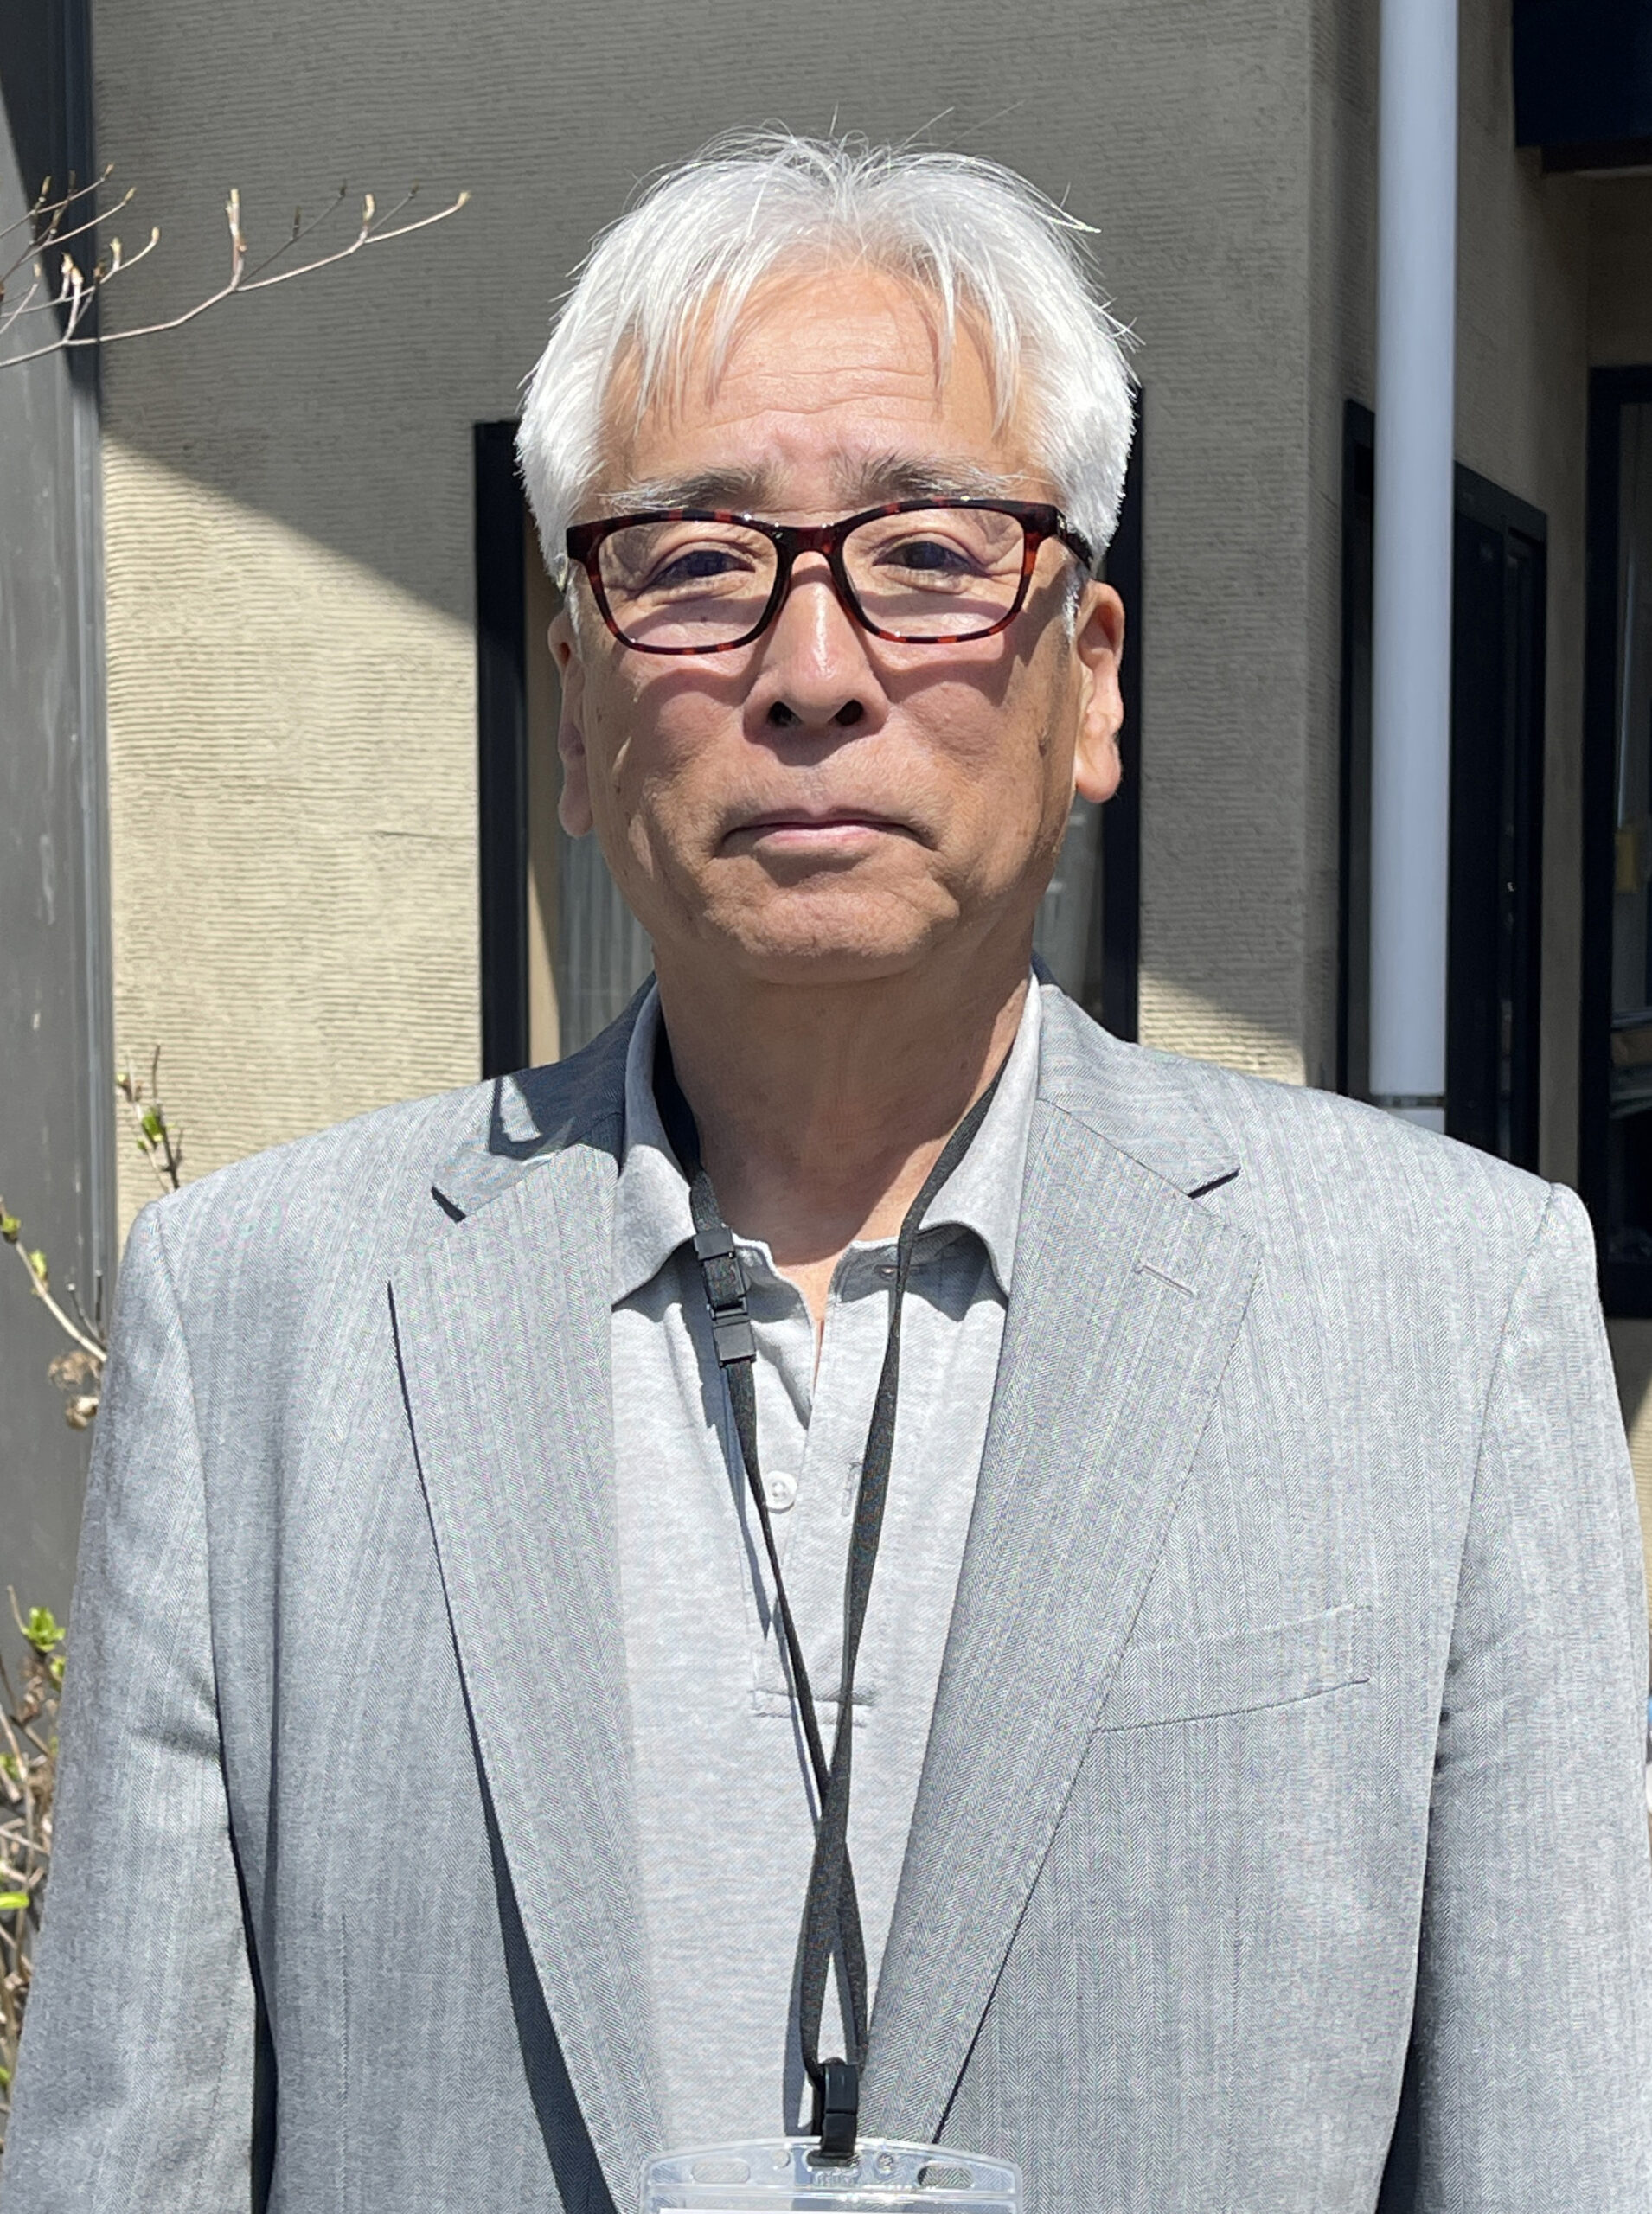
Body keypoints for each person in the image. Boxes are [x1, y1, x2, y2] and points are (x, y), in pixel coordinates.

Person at [8, 131, 1651, 2213]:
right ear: (578, 707)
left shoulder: (1447, 1309)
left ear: (1092, 678)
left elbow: (1555, 2155)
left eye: (932, 552)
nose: (809, 668)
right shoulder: (262, 1313)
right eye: (695, 564)